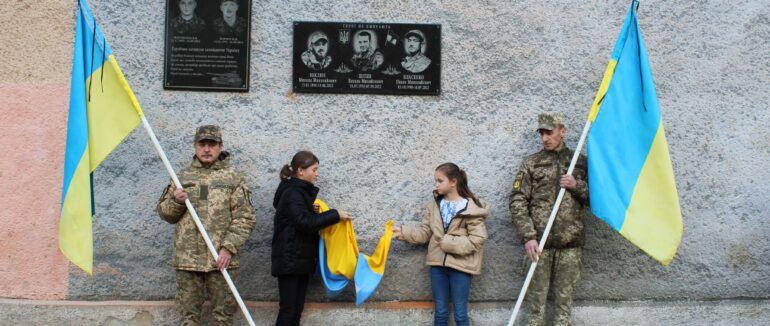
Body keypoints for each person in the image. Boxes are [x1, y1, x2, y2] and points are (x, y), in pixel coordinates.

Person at [157, 125, 257, 326]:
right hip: (188, 259)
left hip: (221, 260)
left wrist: (228, 248)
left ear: (220, 147)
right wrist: (176, 201)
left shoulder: (233, 178)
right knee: (188, 319)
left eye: (212, 145)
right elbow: (166, 214)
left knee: (223, 318)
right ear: (195, 146)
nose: (207, 149)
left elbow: (245, 217)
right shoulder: (181, 177)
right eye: (202, 144)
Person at [508, 112, 589, 326]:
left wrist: (576, 185)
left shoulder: (579, 163)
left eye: (549, 132)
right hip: (538, 246)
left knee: (564, 308)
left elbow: (599, 199)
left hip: (569, 246)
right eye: (541, 133)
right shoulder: (532, 163)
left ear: (563, 131)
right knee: (535, 308)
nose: (545, 138)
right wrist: (528, 236)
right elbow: (517, 200)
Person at [393, 163, 489, 326]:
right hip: (437, 266)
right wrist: (403, 233)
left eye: (440, 180)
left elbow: (478, 239)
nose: (436, 185)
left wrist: (449, 243)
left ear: (453, 182)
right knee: (440, 313)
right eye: (435, 181)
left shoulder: (471, 208)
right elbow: (425, 233)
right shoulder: (434, 205)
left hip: (461, 267)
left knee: (460, 315)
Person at [271, 151, 353, 326]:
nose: (317, 173)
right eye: (314, 169)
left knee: (295, 311)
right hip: (290, 261)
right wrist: (334, 215)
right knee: (289, 311)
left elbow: (300, 219)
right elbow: (305, 222)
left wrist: (313, 211)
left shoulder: (299, 192)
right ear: (301, 170)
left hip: (297, 260)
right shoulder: (293, 193)